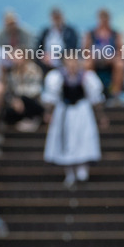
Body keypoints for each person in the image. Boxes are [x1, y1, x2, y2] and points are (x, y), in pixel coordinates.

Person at [40, 54, 103, 187]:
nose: (72, 64)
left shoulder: (87, 77)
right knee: (65, 140)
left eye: (74, 60)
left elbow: (95, 98)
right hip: (64, 112)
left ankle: (83, 169)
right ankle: (69, 172)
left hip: (82, 112)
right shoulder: (57, 77)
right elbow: (51, 97)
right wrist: (48, 113)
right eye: (69, 61)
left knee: (83, 138)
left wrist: (101, 116)